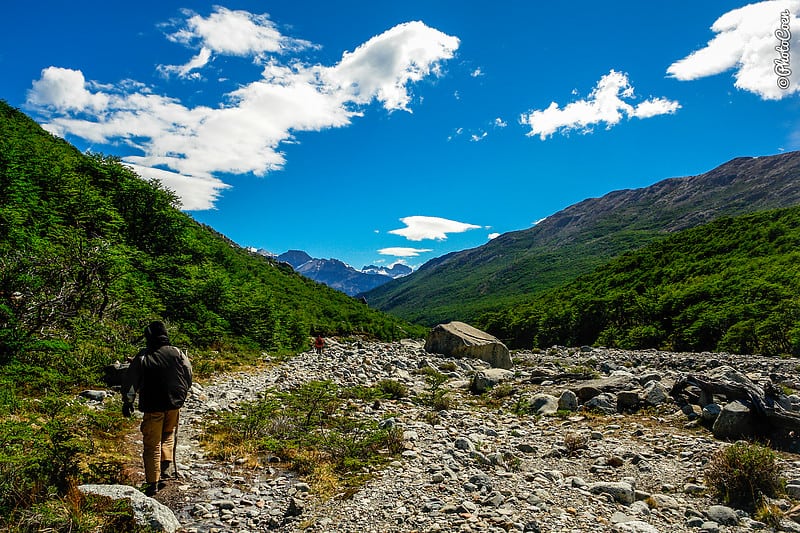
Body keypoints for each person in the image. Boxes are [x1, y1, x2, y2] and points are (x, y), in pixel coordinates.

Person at [122, 321, 192, 496]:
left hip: (153, 406)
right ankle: (165, 471)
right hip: (174, 403)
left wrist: (127, 402)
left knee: (152, 444)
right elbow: (188, 373)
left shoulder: (143, 356)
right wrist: (183, 392)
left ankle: (152, 483)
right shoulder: (177, 352)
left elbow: (131, 383)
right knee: (168, 434)